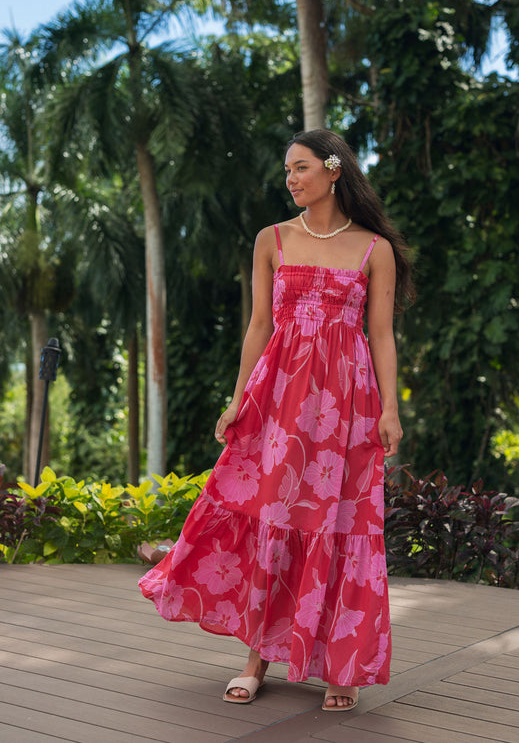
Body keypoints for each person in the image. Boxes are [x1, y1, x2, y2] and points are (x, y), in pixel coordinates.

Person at [139, 128, 415, 712]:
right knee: (272, 513)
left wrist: (389, 408)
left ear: (333, 171)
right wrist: (238, 397)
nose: (290, 179)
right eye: (287, 170)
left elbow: (382, 335)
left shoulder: (374, 248)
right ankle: (254, 659)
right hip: (281, 399)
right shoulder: (272, 239)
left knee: (341, 521)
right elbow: (260, 325)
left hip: (347, 405)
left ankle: (343, 667)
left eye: (301, 167)